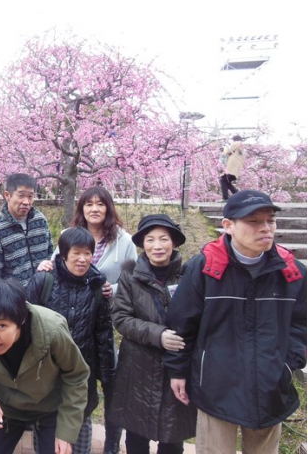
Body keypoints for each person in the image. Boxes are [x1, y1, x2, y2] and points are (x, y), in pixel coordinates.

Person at [165, 190, 307, 454]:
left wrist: (286, 367)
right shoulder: (205, 267)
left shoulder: (291, 272)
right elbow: (182, 323)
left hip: (270, 386)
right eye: (253, 221)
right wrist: (178, 370)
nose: (265, 228)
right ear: (228, 225)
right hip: (216, 387)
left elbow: (300, 325)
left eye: (270, 220)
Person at [37, 186, 137, 454]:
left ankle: (111, 443)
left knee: (105, 382)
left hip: (102, 318)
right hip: (68, 319)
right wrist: (46, 265)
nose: (94, 209)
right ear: (81, 208)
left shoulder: (124, 240)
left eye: (100, 204)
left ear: (108, 208)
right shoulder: (68, 235)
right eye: (88, 204)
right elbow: (57, 265)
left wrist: (112, 290)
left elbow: (133, 279)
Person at [0, 278, 90, 454]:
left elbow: (76, 375)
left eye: (1, 326)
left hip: (50, 407)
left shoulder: (52, 331)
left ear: (21, 319)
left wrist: (66, 432)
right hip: (5, 407)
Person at [109, 214, 197, 454]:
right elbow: (121, 318)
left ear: (174, 243)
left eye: (163, 239)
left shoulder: (188, 275)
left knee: (172, 438)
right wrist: (158, 335)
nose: (157, 246)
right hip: (138, 368)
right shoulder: (130, 276)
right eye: (150, 240)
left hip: (175, 368)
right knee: (136, 437)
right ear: (143, 244)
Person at [27, 227, 115, 454]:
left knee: (80, 439)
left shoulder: (97, 287)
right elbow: (25, 326)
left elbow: (103, 334)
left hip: (82, 378)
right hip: (45, 376)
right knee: (46, 442)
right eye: (76, 253)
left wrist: (107, 377)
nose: (82, 259)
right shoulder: (43, 281)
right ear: (64, 254)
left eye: (87, 253)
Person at [0, 173, 53, 286]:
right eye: (21, 195)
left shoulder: (40, 221)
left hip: (44, 291)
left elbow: (50, 255)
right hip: (15, 295)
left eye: (30, 196)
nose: (26, 202)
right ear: (7, 195)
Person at [219, 135, 245, 201]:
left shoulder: (236, 143)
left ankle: (225, 198)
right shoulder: (241, 147)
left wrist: (224, 148)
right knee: (227, 181)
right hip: (235, 169)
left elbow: (227, 152)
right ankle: (238, 196)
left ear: (234, 140)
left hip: (231, 167)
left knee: (223, 179)